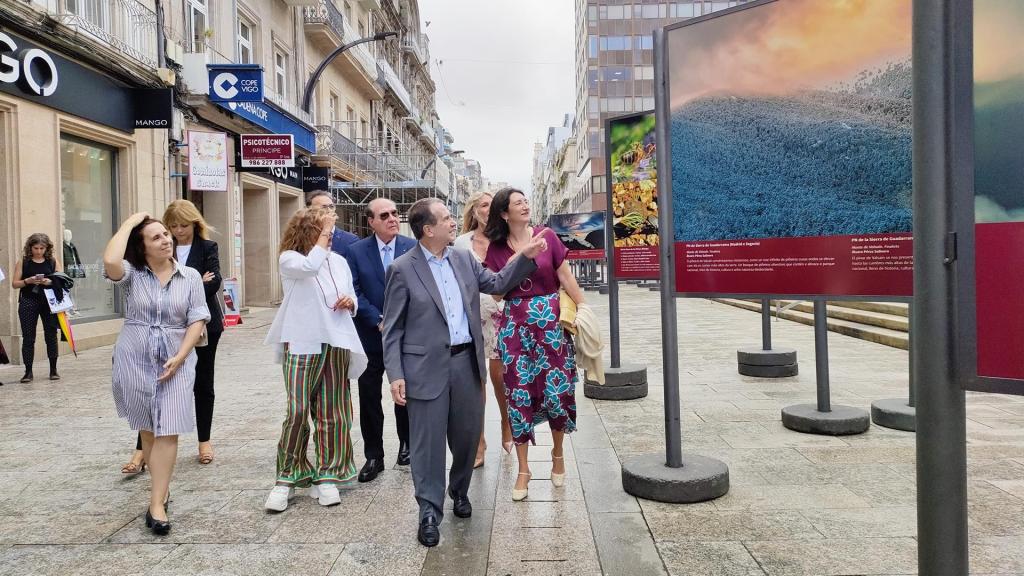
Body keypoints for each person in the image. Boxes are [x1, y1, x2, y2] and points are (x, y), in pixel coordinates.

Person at [383, 197, 547, 547]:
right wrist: (395, 374)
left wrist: (526, 256)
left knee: (467, 437)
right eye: (445, 218)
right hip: (424, 368)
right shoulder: (402, 268)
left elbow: (498, 283)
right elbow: (393, 328)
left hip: (466, 364)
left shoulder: (463, 258)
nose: (452, 221)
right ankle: (429, 511)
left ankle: (459, 490)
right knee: (427, 444)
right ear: (428, 230)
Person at [103, 213, 210, 535]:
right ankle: (161, 488)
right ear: (142, 247)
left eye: (166, 234)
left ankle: (156, 504)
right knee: (148, 430)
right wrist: (128, 224)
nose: (166, 240)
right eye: (156, 237)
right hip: (134, 357)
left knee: (169, 429)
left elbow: (198, 318)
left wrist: (181, 356)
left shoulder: (190, 276)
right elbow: (110, 261)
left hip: (176, 359)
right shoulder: (132, 275)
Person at [484, 188, 585, 502]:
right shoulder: (496, 248)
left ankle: (558, 454)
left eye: (525, 200)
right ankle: (524, 470)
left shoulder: (547, 236)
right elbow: (497, 293)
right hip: (516, 328)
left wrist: (584, 309)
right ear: (504, 213)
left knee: (557, 391)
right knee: (519, 395)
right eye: (518, 203)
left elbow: (565, 277)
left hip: (551, 326)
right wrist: (522, 255)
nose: (525, 205)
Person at [263, 207, 367, 511]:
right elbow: (310, 267)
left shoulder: (339, 261)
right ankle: (286, 477)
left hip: (336, 340)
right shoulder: (290, 259)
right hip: (301, 341)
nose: (330, 236)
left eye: (330, 231)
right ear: (307, 231)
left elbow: (350, 293)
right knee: (297, 411)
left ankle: (327, 475)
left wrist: (350, 302)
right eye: (323, 231)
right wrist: (324, 235)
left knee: (333, 410)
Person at [121, 200, 224, 475]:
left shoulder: (207, 247)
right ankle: (141, 449)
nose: (178, 231)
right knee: (152, 386)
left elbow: (214, 281)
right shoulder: (162, 245)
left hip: (202, 325)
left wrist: (190, 286)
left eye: (184, 225)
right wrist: (191, 283)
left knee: (203, 383)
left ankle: (204, 441)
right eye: (173, 226)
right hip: (162, 327)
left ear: (195, 223)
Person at [345, 197, 416, 482]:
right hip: (370, 336)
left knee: (405, 393)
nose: (392, 218)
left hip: (406, 336)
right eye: (384, 215)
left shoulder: (412, 247)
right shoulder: (356, 251)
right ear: (371, 221)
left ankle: (407, 445)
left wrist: (399, 320)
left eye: (395, 213)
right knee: (369, 396)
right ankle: (374, 455)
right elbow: (353, 290)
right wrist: (378, 319)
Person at [453, 191, 513, 467]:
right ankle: (478, 441)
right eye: (483, 205)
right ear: (474, 211)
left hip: (502, 313)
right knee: (476, 380)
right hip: (471, 314)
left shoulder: (505, 239)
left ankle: (506, 422)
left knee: (500, 376)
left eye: (492, 204)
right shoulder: (461, 243)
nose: (488, 209)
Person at [11, 233, 61, 382]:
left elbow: (62, 280)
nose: (39, 251)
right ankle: (28, 372)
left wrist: (49, 282)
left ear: (47, 248)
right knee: (28, 338)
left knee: (51, 336)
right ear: (30, 247)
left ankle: (53, 370)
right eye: (36, 248)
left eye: (42, 248)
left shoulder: (52, 261)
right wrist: (28, 280)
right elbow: (15, 284)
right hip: (28, 301)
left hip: (49, 302)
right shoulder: (23, 262)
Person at [307, 191, 358, 255]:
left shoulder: (350, 240)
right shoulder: (302, 237)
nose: (329, 210)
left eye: (331, 206)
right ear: (310, 211)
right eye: (324, 207)